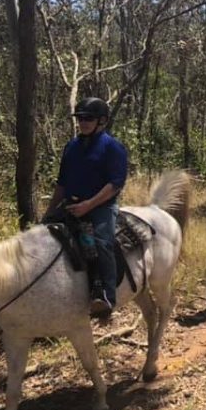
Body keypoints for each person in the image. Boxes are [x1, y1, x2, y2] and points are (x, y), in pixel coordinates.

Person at [45, 97, 128, 319]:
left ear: (102, 121)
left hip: (101, 205)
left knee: (102, 242)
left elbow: (115, 184)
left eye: (88, 118)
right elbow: (61, 184)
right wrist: (49, 213)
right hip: (71, 203)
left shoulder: (113, 147)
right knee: (45, 238)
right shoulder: (71, 147)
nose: (83, 122)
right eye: (80, 118)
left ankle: (106, 296)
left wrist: (88, 205)